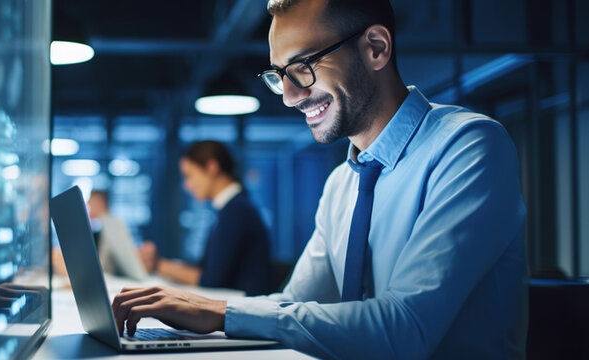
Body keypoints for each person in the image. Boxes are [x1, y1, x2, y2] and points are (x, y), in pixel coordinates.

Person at [111, 0, 527, 358]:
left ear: (376, 48)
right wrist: (201, 310)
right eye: (279, 74)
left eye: (303, 66)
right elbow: (295, 306)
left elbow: (405, 331)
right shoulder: (342, 183)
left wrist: (221, 312)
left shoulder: (469, 146)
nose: (289, 95)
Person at [151, 141, 272, 296]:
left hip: (243, 308)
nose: (187, 186)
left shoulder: (236, 211)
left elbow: (211, 279)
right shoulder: (232, 207)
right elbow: (208, 267)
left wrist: (158, 265)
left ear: (212, 168)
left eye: (189, 176)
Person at [87, 190, 149, 280]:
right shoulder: (100, 228)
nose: (88, 208)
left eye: (90, 203)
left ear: (99, 202)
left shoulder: (113, 225)